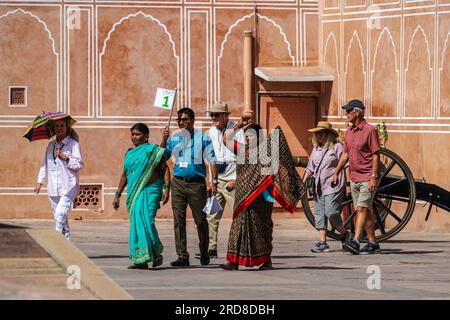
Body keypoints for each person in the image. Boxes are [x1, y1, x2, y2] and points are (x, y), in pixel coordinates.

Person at [219, 124, 304, 271]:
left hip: (261, 197)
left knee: (261, 229)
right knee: (238, 227)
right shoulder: (241, 151)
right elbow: (226, 138)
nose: (247, 137)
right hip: (243, 197)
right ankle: (233, 261)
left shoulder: (266, 153)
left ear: (259, 138)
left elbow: (277, 165)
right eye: (245, 135)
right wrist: (239, 124)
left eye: (251, 134)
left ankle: (266, 260)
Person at [161, 107, 218, 267]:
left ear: (192, 121)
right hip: (178, 183)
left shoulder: (203, 138)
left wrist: (214, 183)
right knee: (178, 220)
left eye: (185, 119)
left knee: (201, 221)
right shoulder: (174, 138)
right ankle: (182, 256)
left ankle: (204, 251)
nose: (181, 122)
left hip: (196, 184)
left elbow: (212, 161)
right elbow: (162, 157)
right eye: (179, 120)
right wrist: (164, 140)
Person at [113, 123, 170, 269]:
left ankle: (156, 253)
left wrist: (166, 188)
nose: (134, 137)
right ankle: (141, 260)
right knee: (137, 225)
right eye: (132, 134)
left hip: (151, 190)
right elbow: (125, 175)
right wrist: (117, 194)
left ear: (146, 136)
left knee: (148, 221)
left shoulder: (152, 151)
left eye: (137, 134)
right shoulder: (130, 153)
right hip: (134, 193)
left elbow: (164, 164)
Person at [332, 99, 381, 255]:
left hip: (367, 176)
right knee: (364, 211)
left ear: (357, 112)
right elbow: (345, 155)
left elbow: (375, 156)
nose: (345, 114)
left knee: (361, 208)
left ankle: (356, 241)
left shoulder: (369, 131)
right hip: (354, 178)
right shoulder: (349, 132)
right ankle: (373, 243)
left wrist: (374, 176)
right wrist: (336, 172)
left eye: (348, 111)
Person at [303, 121, 351, 253]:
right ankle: (323, 242)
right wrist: (303, 181)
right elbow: (310, 168)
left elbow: (346, 165)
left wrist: (348, 184)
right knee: (319, 213)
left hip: (333, 185)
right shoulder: (316, 149)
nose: (318, 136)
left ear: (328, 134)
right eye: (317, 133)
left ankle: (344, 233)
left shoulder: (337, 147)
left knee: (331, 212)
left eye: (321, 133)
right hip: (318, 185)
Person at [34, 117, 84, 240]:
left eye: (62, 125)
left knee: (61, 214)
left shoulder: (73, 144)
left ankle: (56, 240)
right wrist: (40, 182)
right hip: (53, 187)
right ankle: (66, 245)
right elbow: (44, 164)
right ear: (53, 129)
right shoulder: (50, 146)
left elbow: (79, 164)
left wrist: (65, 158)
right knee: (60, 217)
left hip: (69, 185)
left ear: (67, 128)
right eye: (57, 126)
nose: (59, 128)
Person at [202, 101, 239, 259]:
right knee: (211, 214)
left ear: (225, 115)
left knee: (238, 215)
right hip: (217, 179)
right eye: (212, 115)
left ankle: (237, 248)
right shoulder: (210, 132)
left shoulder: (236, 130)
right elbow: (208, 158)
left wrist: (237, 179)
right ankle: (211, 247)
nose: (213, 118)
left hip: (232, 179)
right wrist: (210, 181)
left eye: (217, 115)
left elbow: (243, 156)